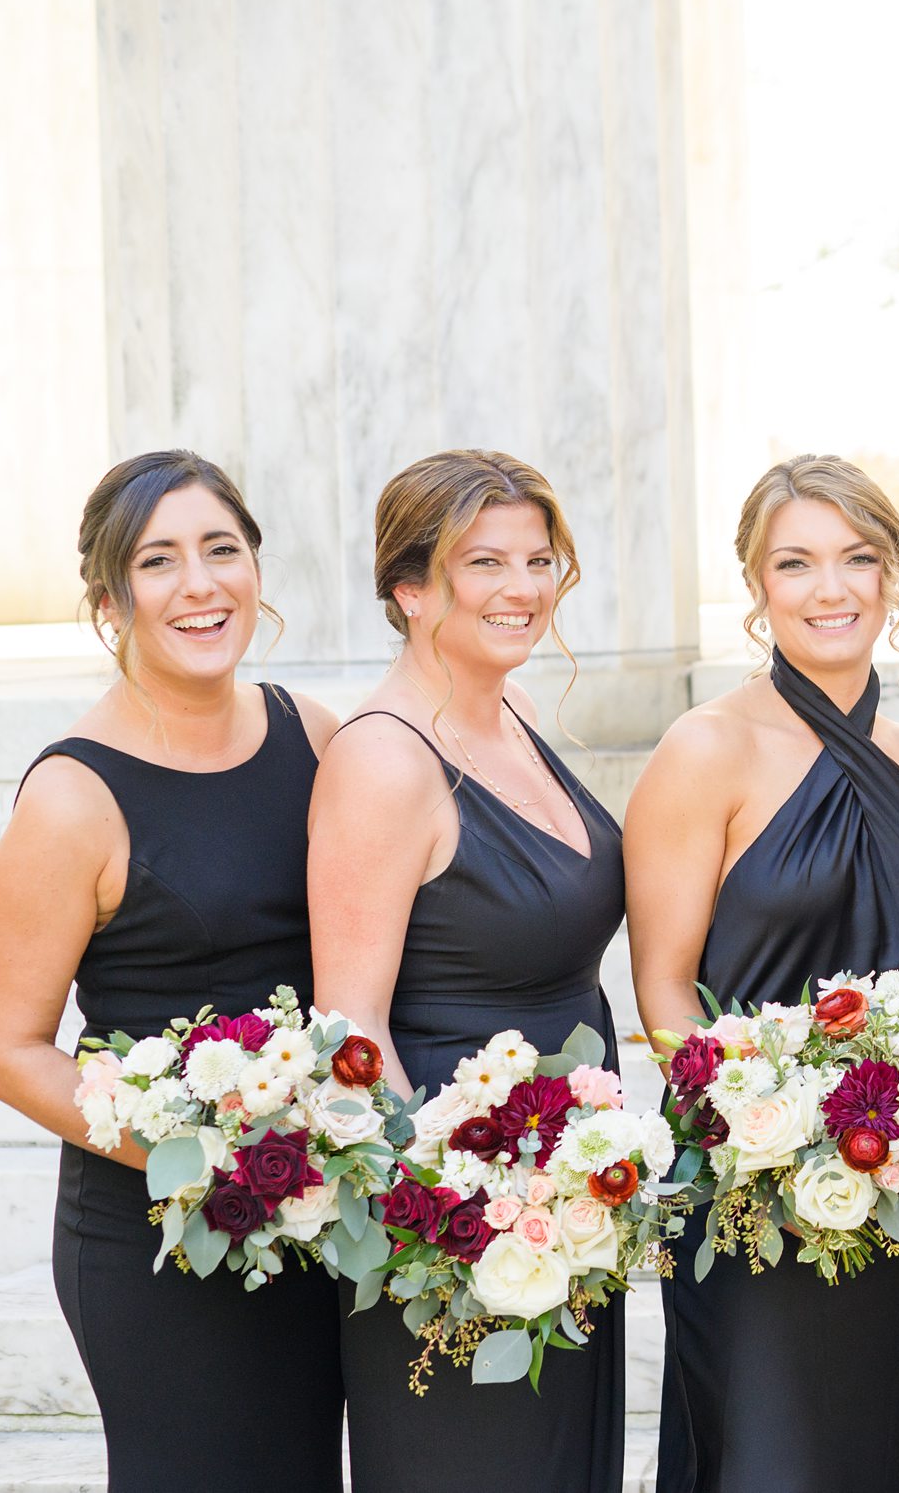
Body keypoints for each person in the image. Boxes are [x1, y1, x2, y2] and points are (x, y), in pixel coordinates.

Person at [0, 451, 345, 1492]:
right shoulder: (72, 797)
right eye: (160, 560)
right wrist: (199, 1154)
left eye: (223, 550)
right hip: (160, 1231)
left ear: (258, 569)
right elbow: (4, 1049)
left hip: (320, 1208)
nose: (201, 584)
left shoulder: (314, 735)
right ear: (109, 598)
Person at [630, 456, 899, 1493]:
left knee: (876, 1454)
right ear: (756, 585)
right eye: (797, 562)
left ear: (891, 577)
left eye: (859, 559)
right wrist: (764, 1127)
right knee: (760, 1459)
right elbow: (664, 989)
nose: (832, 588)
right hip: (750, 1191)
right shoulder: (705, 748)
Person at [310, 450, 628, 1493]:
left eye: (539, 559)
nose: (525, 588)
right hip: (458, 1220)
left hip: (570, 1198)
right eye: (484, 562)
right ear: (409, 589)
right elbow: (349, 1028)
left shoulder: (518, 710)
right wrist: (457, 1224)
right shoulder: (385, 758)